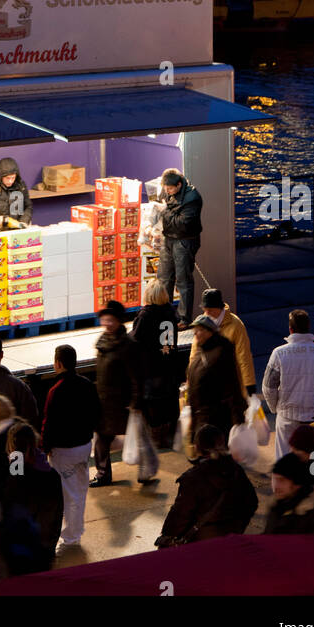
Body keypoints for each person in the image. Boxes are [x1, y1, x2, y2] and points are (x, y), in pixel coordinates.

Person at [155, 423, 258, 547]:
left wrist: (167, 536)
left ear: (197, 448)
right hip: (231, 534)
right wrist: (237, 526)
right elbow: (252, 502)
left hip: (202, 541)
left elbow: (180, 514)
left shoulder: (193, 478)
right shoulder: (236, 471)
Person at [40, 344, 101, 547]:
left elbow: (48, 423)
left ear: (58, 363)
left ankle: (70, 535)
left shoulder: (55, 391)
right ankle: (76, 530)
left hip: (63, 451)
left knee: (67, 493)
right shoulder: (87, 384)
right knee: (80, 489)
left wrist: (44, 447)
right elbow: (96, 413)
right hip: (83, 446)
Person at [262, 310, 314, 459]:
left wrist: (275, 407)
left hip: (287, 418)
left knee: (285, 463)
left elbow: (268, 387)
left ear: (290, 329)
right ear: (309, 327)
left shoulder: (279, 353)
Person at [90, 300, 142, 487]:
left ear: (119, 321)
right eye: (105, 319)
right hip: (104, 402)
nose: (107, 323)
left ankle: (145, 469)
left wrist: (136, 402)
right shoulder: (103, 343)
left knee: (138, 437)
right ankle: (103, 474)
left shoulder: (128, 345)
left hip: (122, 403)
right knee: (101, 440)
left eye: (111, 320)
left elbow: (136, 376)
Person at [0, 420, 63, 574]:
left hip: (22, 550)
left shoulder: (15, 475)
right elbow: (57, 514)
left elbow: (9, 506)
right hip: (44, 547)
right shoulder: (50, 474)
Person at [144, 168, 203, 329]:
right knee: (163, 278)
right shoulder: (165, 191)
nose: (167, 192)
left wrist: (165, 212)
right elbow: (158, 209)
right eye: (165, 188)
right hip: (168, 239)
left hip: (185, 241)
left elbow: (183, 223)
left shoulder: (193, 198)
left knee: (183, 279)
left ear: (178, 185)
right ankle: (164, 314)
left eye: (170, 189)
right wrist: (151, 225)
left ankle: (184, 318)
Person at [131, 280, 181, 447]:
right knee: (169, 404)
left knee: (153, 408)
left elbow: (135, 339)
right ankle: (169, 437)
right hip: (169, 366)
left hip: (151, 370)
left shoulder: (145, 315)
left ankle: (156, 440)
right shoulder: (171, 313)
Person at [186, 316, 247, 446]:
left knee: (216, 456)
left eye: (199, 330)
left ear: (209, 331)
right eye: (195, 330)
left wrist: (238, 419)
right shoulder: (201, 349)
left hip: (216, 419)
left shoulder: (221, 351)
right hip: (200, 418)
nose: (195, 333)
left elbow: (232, 384)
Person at [188, 288, 257, 400]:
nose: (207, 313)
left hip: (230, 383)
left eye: (210, 309)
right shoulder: (201, 323)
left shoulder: (236, 325)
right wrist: (190, 381)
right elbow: (194, 355)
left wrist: (249, 385)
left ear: (219, 307)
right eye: (205, 309)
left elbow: (243, 356)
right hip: (208, 383)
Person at [263, 453, 314, 535]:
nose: (275, 486)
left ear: (296, 484)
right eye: (274, 479)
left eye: (282, 480)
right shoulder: (276, 503)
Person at [0, 156, 33, 232]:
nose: (10, 181)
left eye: (13, 178)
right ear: (0, 176)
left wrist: (24, 221)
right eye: (7, 178)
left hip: (15, 232)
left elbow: (28, 206)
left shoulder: (21, 186)